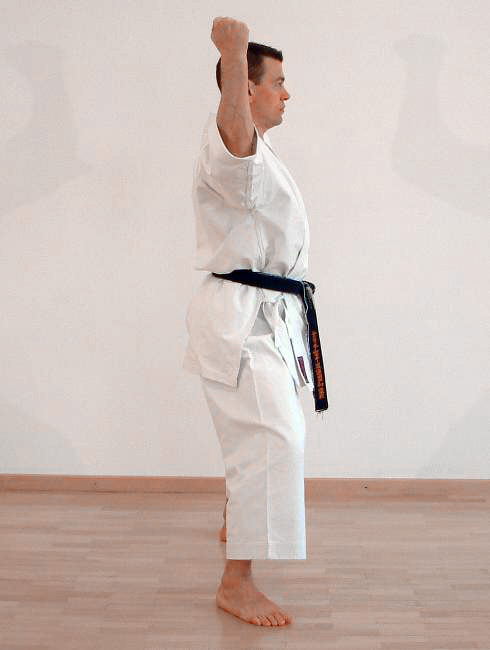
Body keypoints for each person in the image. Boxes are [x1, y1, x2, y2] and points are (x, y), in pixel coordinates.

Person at [183, 16, 316, 627]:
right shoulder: (230, 142)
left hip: (264, 319)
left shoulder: (260, 151)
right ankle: (236, 582)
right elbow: (235, 131)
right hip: (242, 324)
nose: (287, 93)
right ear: (247, 88)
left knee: (261, 436)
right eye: (278, 82)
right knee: (274, 439)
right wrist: (234, 54)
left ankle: (234, 517)